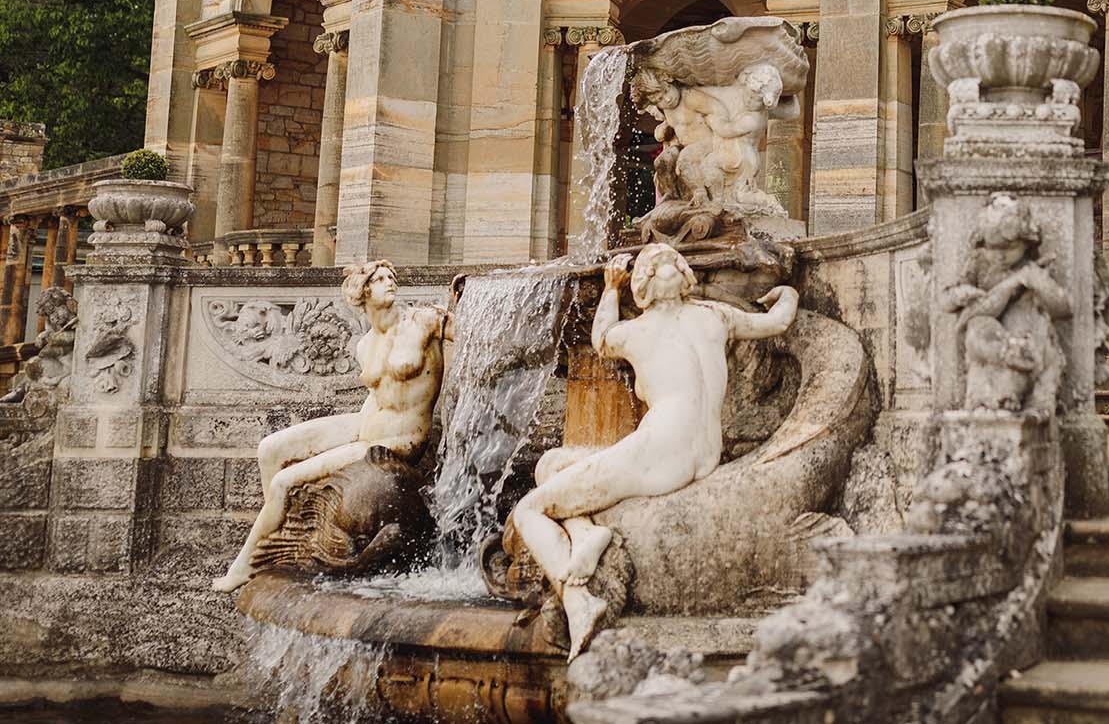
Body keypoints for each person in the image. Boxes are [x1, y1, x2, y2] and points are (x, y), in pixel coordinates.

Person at [508, 241, 798, 657]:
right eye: (665, 264)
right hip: (702, 452)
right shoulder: (716, 317)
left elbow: (601, 337)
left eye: (665, 264)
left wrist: (610, 287)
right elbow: (777, 321)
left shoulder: (637, 332)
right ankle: (585, 533)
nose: (671, 266)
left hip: (663, 449)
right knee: (553, 464)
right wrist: (788, 293)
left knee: (529, 510)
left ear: (642, 285)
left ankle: (577, 600)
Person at [213, 260, 446, 593]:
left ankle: (246, 564)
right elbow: (377, 396)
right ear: (363, 292)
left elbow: (466, 333)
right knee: (270, 449)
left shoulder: (420, 323)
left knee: (282, 482)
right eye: (380, 279)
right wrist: (353, 431)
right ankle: (286, 528)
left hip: (399, 440)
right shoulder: (364, 343)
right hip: (368, 425)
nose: (389, 282)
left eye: (391, 277)